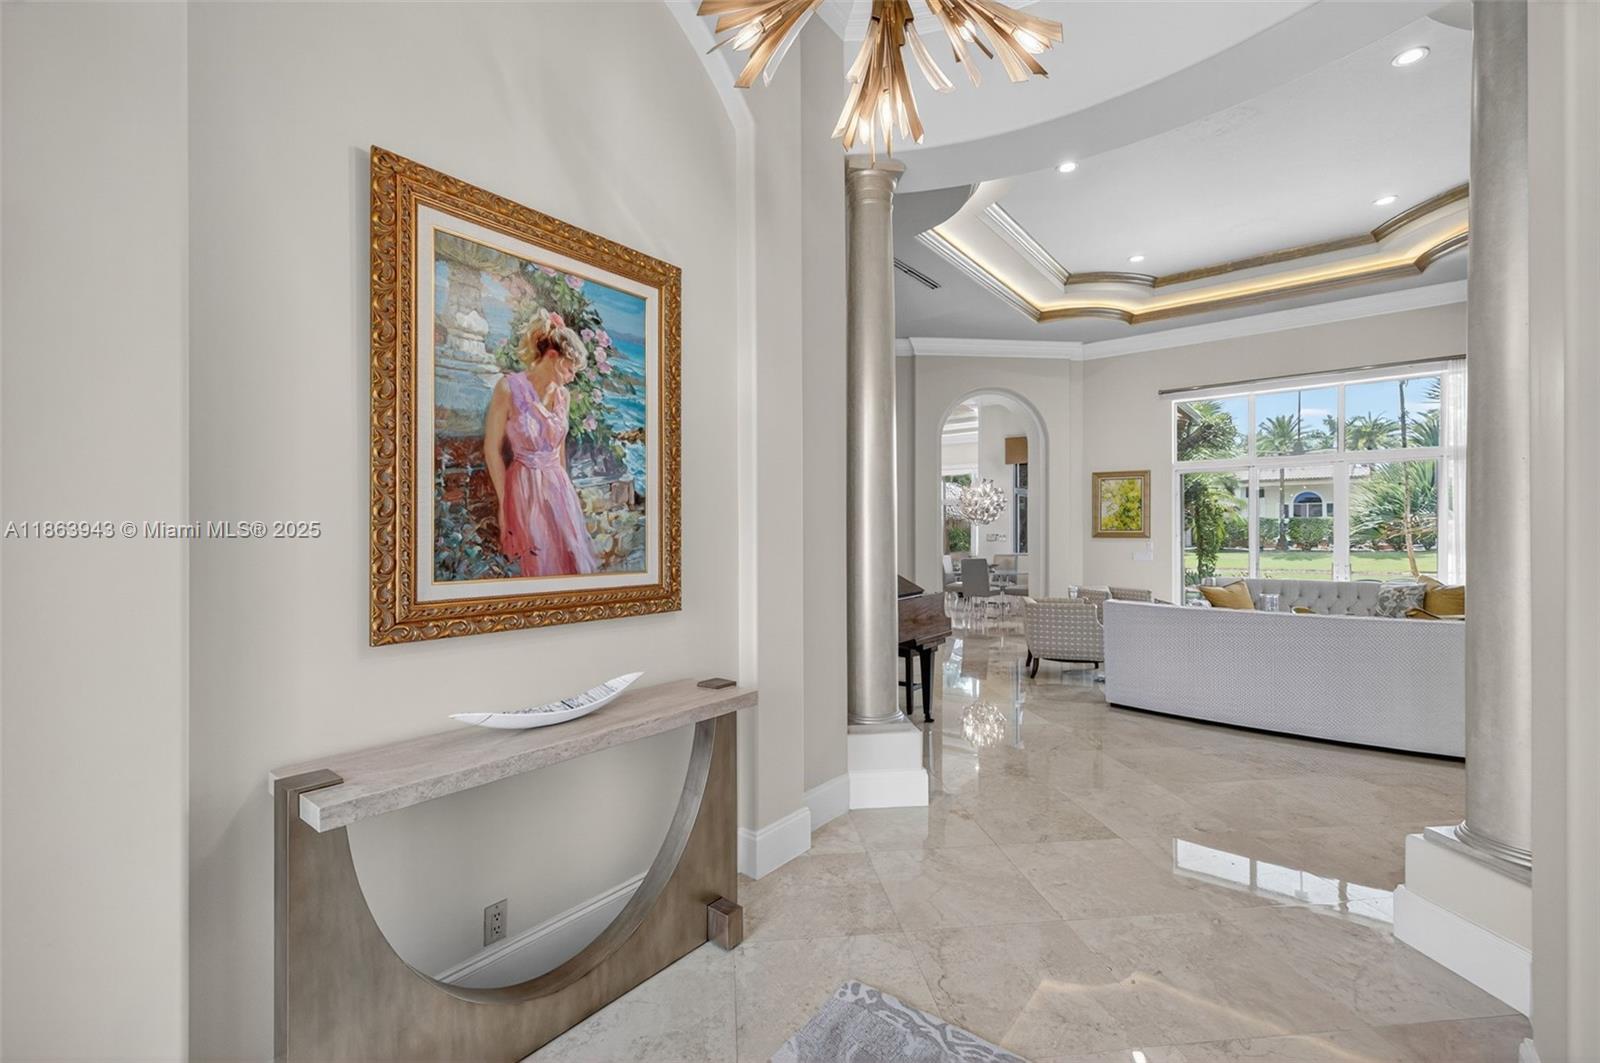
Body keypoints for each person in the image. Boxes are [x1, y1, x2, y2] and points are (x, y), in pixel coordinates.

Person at [483, 309, 598, 577]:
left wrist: (567, 495)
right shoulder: (509, 388)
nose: (572, 377)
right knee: (537, 562)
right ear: (552, 356)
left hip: (558, 488)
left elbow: (559, 449)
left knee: (570, 559)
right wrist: (505, 503)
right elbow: (492, 449)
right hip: (524, 487)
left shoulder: (563, 396)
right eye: (569, 369)